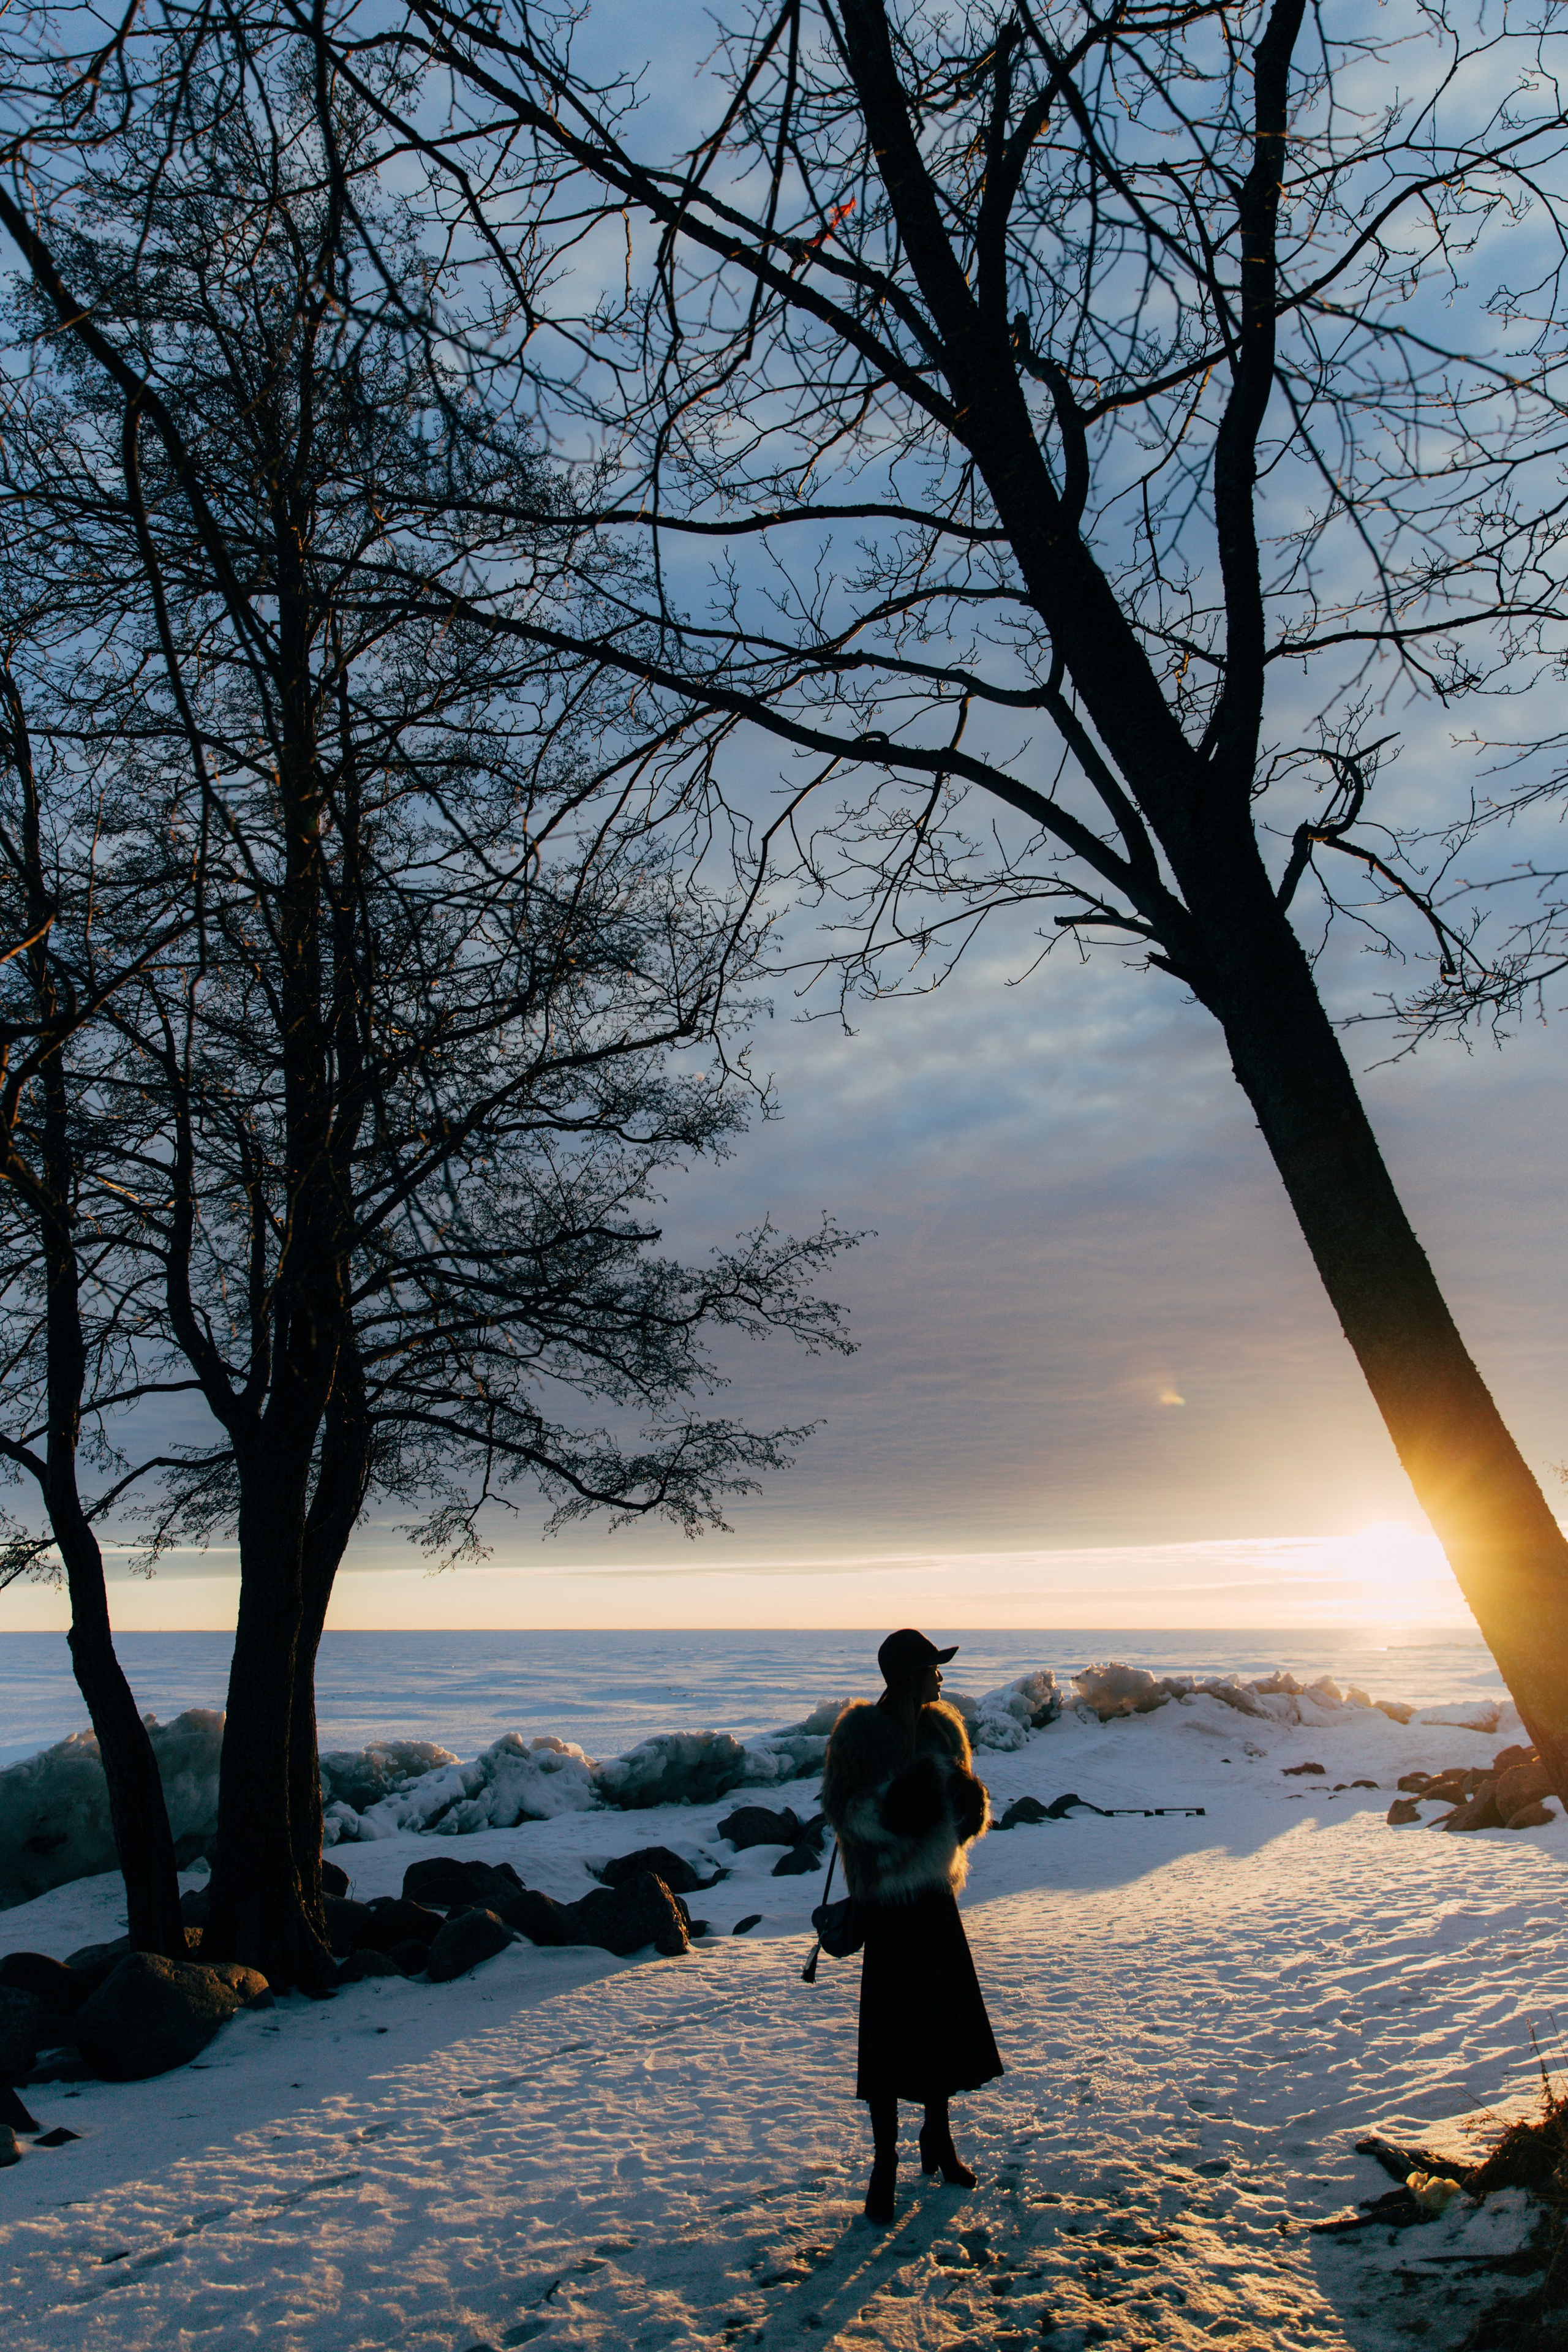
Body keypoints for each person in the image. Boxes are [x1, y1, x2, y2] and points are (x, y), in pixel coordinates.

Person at [821, 1627, 1003, 2223]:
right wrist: (902, 1804)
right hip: (886, 1903)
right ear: (908, 1676)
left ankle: (938, 2139)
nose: (941, 1677)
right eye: (933, 1667)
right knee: (889, 2038)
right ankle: (884, 2162)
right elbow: (844, 1810)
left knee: (939, 2027)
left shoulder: (943, 1729)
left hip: (933, 1896)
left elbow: (963, 1819)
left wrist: (965, 1803)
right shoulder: (858, 1734)